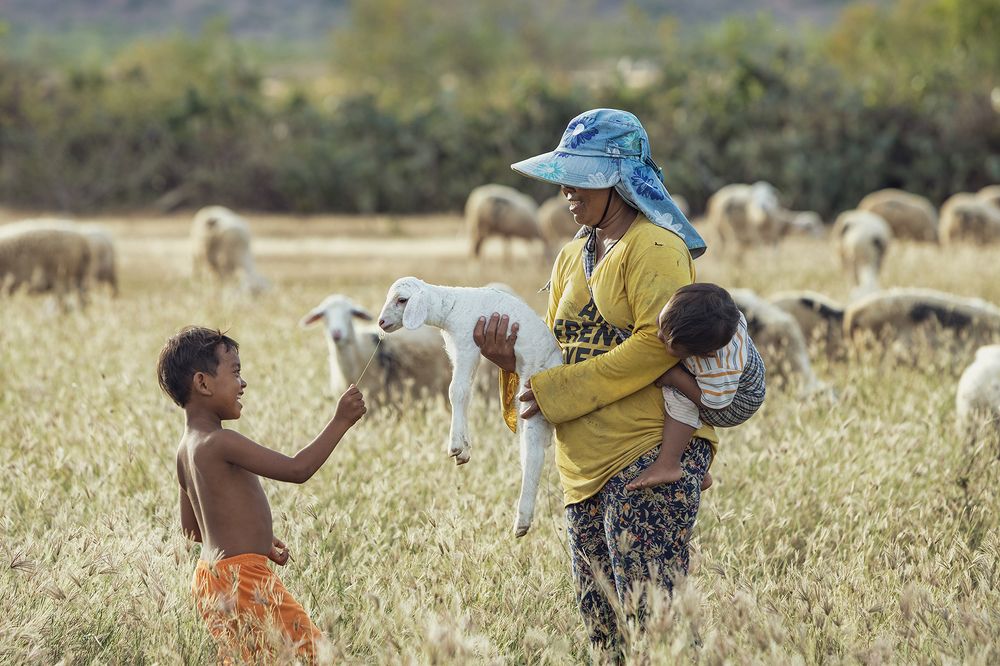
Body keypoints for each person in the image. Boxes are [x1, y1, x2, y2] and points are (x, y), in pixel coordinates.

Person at [474, 108, 717, 654]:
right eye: (565, 176)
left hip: (644, 456)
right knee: (604, 635)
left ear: (620, 179)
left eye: (581, 176)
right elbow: (554, 352)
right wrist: (510, 362)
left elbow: (659, 343)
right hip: (581, 469)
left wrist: (557, 392)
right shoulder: (571, 255)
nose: (566, 189)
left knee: (656, 629)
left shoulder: (654, 247)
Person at [156, 326, 366, 662]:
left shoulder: (185, 449)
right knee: (315, 656)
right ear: (203, 383)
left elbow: (192, 530)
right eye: (235, 372)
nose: (243, 383)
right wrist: (341, 420)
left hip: (209, 580)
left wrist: (252, 539)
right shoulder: (221, 441)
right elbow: (298, 469)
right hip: (244, 579)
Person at [626, 283, 766, 492]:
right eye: (661, 323)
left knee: (678, 396)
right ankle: (695, 467)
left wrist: (674, 378)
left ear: (705, 354)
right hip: (742, 377)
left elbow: (714, 402)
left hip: (736, 401)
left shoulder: (716, 366)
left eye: (669, 343)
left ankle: (669, 464)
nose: (660, 336)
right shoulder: (710, 317)